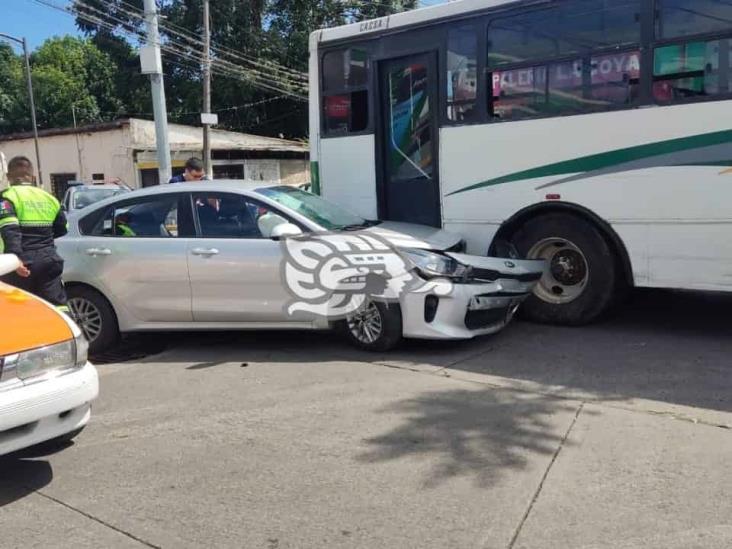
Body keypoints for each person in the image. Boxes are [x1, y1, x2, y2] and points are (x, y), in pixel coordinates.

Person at [0, 156, 69, 312]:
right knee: (57, 308)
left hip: (21, 265)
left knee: (19, 310)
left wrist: (15, 259)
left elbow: (10, 229)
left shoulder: (6, 197)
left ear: (9, 177)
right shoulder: (49, 198)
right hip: (49, 260)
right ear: (32, 177)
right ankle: (66, 334)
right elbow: (62, 228)